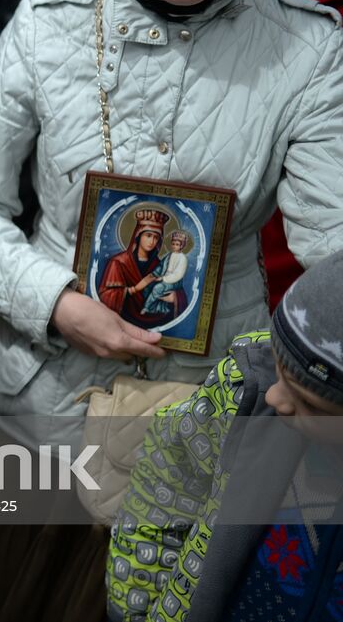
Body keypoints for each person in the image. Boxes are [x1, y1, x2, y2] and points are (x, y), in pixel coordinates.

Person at [0, 0, 343, 615]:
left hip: (202, 424)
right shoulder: (48, 25)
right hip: (42, 403)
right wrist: (56, 302)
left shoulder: (306, 48)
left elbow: (333, 247)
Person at [107, 254, 343, 622]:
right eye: (279, 370)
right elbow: (166, 479)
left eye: (309, 403)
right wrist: (134, 603)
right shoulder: (247, 387)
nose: (275, 398)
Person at [96, 207, 168, 323]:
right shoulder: (118, 262)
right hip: (122, 320)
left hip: (154, 319)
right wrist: (134, 290)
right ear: (138, 236)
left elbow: (173, 291)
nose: (152, 242)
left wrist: (174, 297)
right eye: (148, 235)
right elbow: (105, 296)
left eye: (156, 238)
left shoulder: (160, 266)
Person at [142, 230, 188, 317]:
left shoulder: (183, 258)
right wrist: (154, 274)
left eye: (177, 244)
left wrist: (163, 278)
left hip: (174, 282)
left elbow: (178, 275)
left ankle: (146, 307)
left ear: (181, 246)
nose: (174, 246)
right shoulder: (169, 255)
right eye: (173, 244)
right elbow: (161, 266)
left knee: (157, 288)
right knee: (149, 285)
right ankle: (154, 309)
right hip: (164, 277)